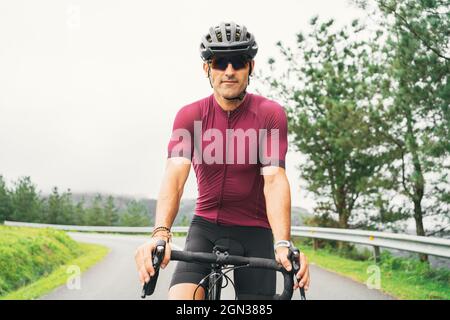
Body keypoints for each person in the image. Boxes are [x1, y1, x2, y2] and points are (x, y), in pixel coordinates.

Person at [135, 21, 310, 300]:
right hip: (205, 228)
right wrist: (160, 233)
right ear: (207, 69)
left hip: (255, 231)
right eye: (220, 63)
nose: (229, 71)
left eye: (238, 62)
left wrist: (283, 242)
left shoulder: (270, 114)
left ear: (250, 67)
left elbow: (274, 179)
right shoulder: (189, 116)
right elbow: (175, 176)